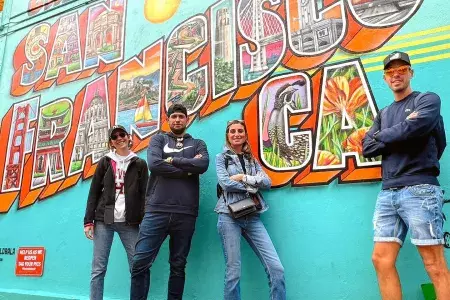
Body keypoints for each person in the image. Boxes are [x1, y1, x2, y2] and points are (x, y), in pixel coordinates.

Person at [362, 51, 449, 300]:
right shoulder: (384, 113)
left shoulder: (427, 100)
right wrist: (402, 132)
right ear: (385, 78)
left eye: (402, 70)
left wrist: (386, 136)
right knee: (381, 260)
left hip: (420, 188)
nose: (396, 75)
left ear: (411, 72)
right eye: (391, 72)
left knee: (433, 263)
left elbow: (420, 128)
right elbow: (368, 148)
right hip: (387, 192)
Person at [130, 103, 209, 300]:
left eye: (181, 116)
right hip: (156, 210)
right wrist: (188, 170)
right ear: (168, 120)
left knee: (178, 265)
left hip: (186, 212)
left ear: (187, 119)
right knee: (140, 262)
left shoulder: (198, 144)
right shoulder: (158, 139)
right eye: (174, 116)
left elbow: (203, 164)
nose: (177, 120)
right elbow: (155, 164)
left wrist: (174, 161)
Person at [215, 119, 285, 300]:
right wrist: (253, 184)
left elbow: (268, 182)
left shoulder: (251, 161)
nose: (236, 134)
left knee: (276, 268)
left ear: (245, 135)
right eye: (232, 131)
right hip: (228, 216)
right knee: (233, 272)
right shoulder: (221, 158)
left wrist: (244, 177)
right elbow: (226, 183)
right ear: (227, 136)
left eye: (240, 131)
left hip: (252, 216)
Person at [84, 124, 149, 300]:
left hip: (130, 222)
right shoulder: (105, 161)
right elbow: (94, 192)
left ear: (128, 137)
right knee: (98, 268)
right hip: (104, 221)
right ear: (111, 142)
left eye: (122, 134)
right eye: (115, 137)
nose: (119, 138)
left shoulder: (140, 164)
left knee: (138, 265)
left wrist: (145, 220)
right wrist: (88, 221)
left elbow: (145, 194)